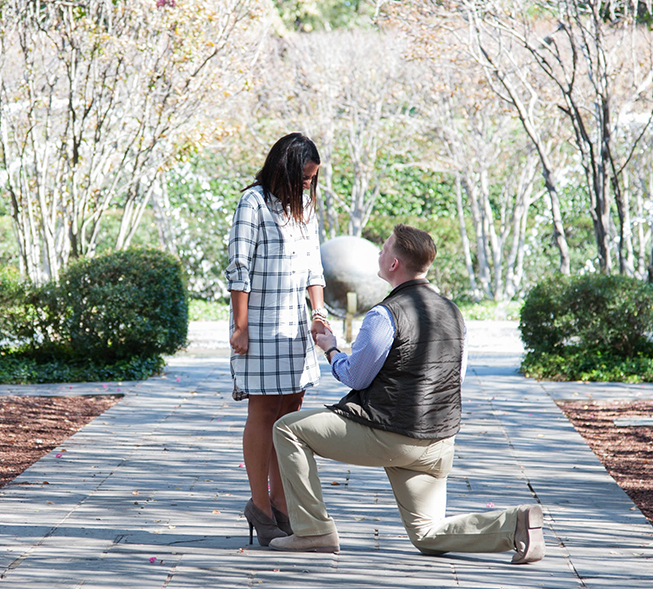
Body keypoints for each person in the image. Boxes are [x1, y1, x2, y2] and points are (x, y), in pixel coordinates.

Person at [269, 224, 545, 564]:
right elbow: (455, 377)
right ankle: (515, 525)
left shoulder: (385, 314)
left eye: (384, 248)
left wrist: (331, 350)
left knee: (288, 428)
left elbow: (355, 375)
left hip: (391, 435)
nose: (379, 253)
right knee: (427, 536)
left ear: (395, 264)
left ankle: (313, 531)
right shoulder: (453, 312)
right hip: (439, 443)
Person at [225, 132, 330, 546]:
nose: (309, 185)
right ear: (285, 169)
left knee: (290, 410)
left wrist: (318, 313)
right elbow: (238, 269)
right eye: (304, 177)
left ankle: (282, 502)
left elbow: (315, 268)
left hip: (296, 327)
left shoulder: (304, 207)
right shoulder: (252, 203)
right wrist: (240, 325)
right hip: (261, 326)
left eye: (312, 179)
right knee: (264, 410)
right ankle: (260, 506)